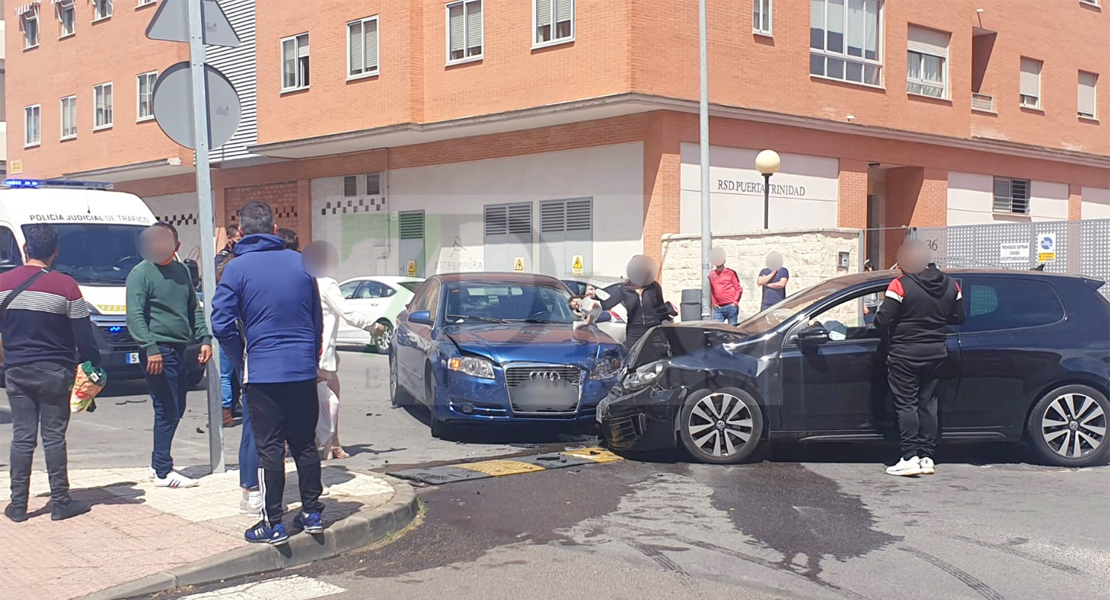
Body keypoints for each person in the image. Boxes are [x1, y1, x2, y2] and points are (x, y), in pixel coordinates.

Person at [212, 202, 325, 546]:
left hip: (262, 372)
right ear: (275, 229)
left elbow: (221, 323)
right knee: (305, 443)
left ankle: (273, 522)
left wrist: (239, 356)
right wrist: (310, 354)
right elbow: (315, 319)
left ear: (241, 233)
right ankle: (313, 512)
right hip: (302, 370)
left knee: (270, 448)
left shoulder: (235, 269)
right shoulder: (303, 262)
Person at [1, 225, 98, 522]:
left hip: (16, 370)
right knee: (54, 437)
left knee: (22, 437)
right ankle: (60, 501)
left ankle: (18, 505)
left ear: (26, 249)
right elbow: (84, 336)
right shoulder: (66, 286)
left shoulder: (3, 283)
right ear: (55, 252)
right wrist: (92, 366)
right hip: (56, 370)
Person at [126, 222, 213, 489]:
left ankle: (158, 463)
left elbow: (193, 308)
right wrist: (150, 347)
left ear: (176, 245)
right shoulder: (141, 274)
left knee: (177, 407)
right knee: (167, 409)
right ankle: (163, 470)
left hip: (180, 348)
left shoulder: (182, 271)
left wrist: (204, 338)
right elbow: (135, 315)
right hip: (158, 350)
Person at [874, 240, 965, 477]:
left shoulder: (899, 285)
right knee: (928, 403)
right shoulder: (952, 285)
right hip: (936, 353)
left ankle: (909, 457)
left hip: (904, 353)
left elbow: (882, 321)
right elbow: (958, 317)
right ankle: (927, 457)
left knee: (907, 404)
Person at [302, 241, 384, 460]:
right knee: (330, 401)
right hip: (323, 353)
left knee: (310, 402)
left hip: (306, 351)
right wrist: (373, 326)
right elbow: (347, 313)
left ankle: (325, 443)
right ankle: (331, 444)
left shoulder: (301, 281)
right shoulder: (326, 284)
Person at [214, 252, 262, 516]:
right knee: (256, 432)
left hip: (244, 365)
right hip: (254, 368)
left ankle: (248, 490)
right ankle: (254, 491)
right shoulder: (243, 306)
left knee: (249, 432)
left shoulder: (229, 301)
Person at [600, 255, 673, 349]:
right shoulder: (624, 289)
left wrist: (667, 318)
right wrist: (589, 300)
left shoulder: (654, 287)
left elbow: (660, 307)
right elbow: (606, 305)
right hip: (634, 332)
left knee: (656, 359)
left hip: (653, 330)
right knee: (633, 360)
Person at [217, 224, 243, 426]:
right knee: (239, 374)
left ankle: (226, 412)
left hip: (232, 333)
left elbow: (220, 321)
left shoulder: (225, 270)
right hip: (241, 333)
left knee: (225, 375)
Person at [708, 248, 742, 325]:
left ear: (724, 261)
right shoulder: (711, 274)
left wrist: (735, 302)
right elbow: (712, 290)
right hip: (719, 308)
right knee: (717, 329)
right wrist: (714, 303)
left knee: (732, 330)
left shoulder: (730, 273)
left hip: (731, 306)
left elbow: (738, 288)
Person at [862, 260, 880, 325]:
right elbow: (861, 295)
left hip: (874, 304)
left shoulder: (873, 280)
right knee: (867, 322)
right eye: (868, 271)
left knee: (873, 323)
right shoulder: (863, 281)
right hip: (867, 305)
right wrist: (864, 306)